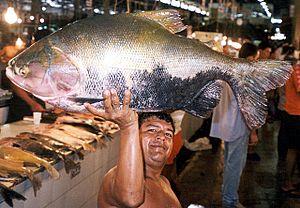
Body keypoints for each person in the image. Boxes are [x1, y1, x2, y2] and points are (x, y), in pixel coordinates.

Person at [85, 89, 182, 208]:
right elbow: (131, 199)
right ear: (135, 136)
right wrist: (128, 126)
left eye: (168, 134)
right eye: (152, 130)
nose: (162, 137)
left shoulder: (165, 183)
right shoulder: (113, 178)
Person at [209, 42, 258, 208]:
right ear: (251, 57)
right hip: (238, 125)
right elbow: (248, 106)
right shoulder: (245, 73)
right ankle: (229, 200)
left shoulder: (229, 69)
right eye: (256, 58)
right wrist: (253, 131)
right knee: (235, 164)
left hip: (226, 124)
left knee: (231, 162)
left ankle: (228, 195)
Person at [281, 61, 300, 196]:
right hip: (295, 116)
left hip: (293, 114)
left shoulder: (294, 69)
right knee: (293, 150)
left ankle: (290, 182)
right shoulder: (298, 70)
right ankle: (287, 183)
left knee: (294, 150)